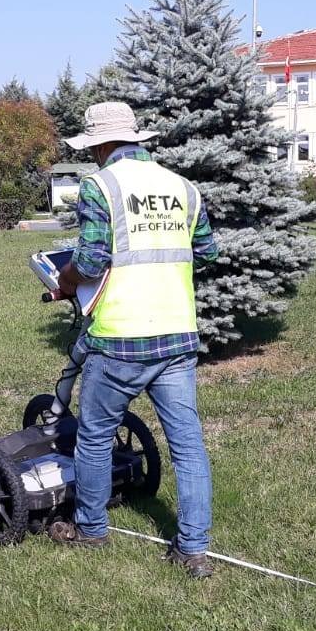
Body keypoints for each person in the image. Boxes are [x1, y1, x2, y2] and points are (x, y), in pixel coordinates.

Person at [45, 102, 220, 579]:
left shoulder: (100, 186)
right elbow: (206, 252)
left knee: (95, 437)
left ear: (100, 145)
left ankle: (91, 530)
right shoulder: (183, 187)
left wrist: (64, 281)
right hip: (177, 334)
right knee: (188, 445)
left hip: (120, 338)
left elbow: (91, 261)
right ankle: (193, 550)